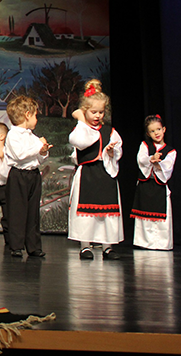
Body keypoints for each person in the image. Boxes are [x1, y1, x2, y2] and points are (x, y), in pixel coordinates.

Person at [67, 80, 123, 260]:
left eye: (101, 112)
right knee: (86, 214)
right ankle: (85, 246)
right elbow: (81, 142)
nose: (98, 115)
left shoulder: (109, 131)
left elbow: (118, 148)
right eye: (93, 112)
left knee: (107, 212)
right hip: (88, 175)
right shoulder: (81, 129)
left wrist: (111, 152)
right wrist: (82, 121)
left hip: (105, 174)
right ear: (85, 111)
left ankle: (108, 246)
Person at [4, 95, 50, 258]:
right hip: (19, 176)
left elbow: (38, 159)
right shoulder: (13, 135)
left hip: (33, 175)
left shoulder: (32, 136)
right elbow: (20, 155)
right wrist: (38, 147)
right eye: (35, 115)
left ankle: (34, 246)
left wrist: (43, 152)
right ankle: (16, 245)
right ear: (27, 115)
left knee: (33, 211)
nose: (36, 119)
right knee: (17, 211)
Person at [132, 114, 176, 250]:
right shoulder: (145, 145)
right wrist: (151, 159)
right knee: (144, 216)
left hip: (159, 186)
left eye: (158, 129)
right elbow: (141, 159)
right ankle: (145, 242)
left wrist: (158, 163)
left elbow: (168, 167)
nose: (156, 133)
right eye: (152, 131)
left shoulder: (171, 151)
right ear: (148, 134)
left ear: (164, 129)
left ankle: (161, 244)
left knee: (160, 217)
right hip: (145, 185)